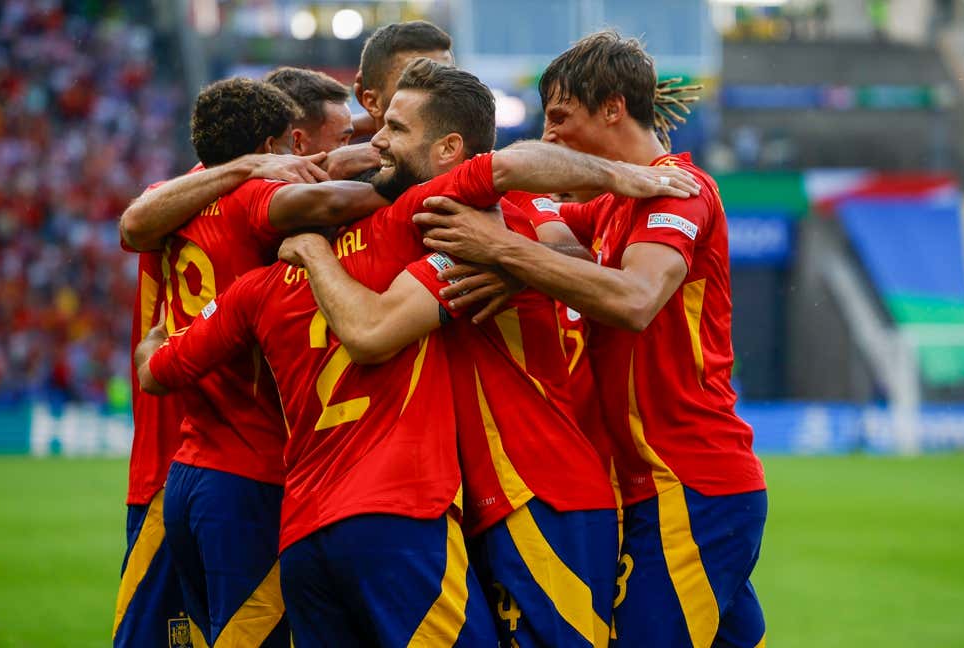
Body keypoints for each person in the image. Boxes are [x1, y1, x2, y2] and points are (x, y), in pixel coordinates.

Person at [135, 58, 696, 648]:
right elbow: (376, 327)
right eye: (365, 130)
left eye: (391, 129)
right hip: (409, 514)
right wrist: (617, 181)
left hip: (326, 522)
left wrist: (517, 261)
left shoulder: (262, 284)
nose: (373, 137)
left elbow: (159, 364)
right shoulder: (416, 222)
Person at [413, 32, 769, 647]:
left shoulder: (680, 192)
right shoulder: (609, 206)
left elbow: (633, 301)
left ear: (612, 107)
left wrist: (501, 252)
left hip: (688, 481)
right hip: (654, 487)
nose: (548, 137)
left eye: (559, 118)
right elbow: (536, 224)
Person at [119, 75, 384, 647]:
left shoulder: (185, 195)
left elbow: (134, 222)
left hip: (193, 463)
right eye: (297, 149)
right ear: (273, 147)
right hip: (250, 470)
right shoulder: (252, 197)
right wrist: (417, 179)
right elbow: (328, 200)